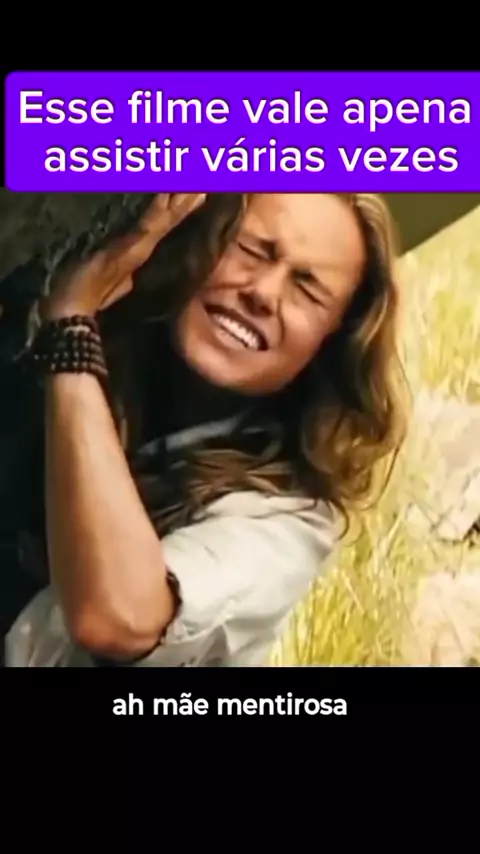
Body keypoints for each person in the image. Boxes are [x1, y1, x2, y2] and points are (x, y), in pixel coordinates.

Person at [2, 192, 408, 667]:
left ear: (330, 343)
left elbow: (117, 619)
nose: (263, 292)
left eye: (308, 290)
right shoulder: (105, 341)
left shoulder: (286, 522)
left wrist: (71, 330)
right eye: (252, 249)